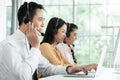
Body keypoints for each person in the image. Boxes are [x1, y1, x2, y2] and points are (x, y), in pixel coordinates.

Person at [0, 2, 88, 80]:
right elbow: (23, 77)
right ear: (26, 20)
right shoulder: (9, 46)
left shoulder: (29, 44)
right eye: (40, 20)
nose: (43, 25)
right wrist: (35, 47)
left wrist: (69, 69)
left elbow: (47, 68)